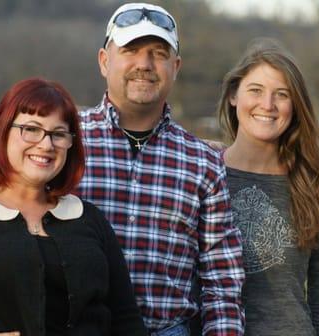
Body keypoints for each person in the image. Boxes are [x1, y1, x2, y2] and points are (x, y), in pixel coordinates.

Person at [0, 78, 147, 335]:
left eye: (58, 134)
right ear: (2, 132)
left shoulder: (89, 219)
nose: (46, 145)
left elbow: (126, 320)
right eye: (31, 129)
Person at [75, 2, 245, 335]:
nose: (145, 64)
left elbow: (221, 280)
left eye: (158, 53)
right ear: (104, 61)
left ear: (176, 66)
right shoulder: (63, 144)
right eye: (131, 50)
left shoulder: (203, 163)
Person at [216, 39, 319, 336]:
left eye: (282, 95)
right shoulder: (202, 174)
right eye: (256, 91)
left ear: (296, 105)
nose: (268, 105)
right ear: (234, 95)